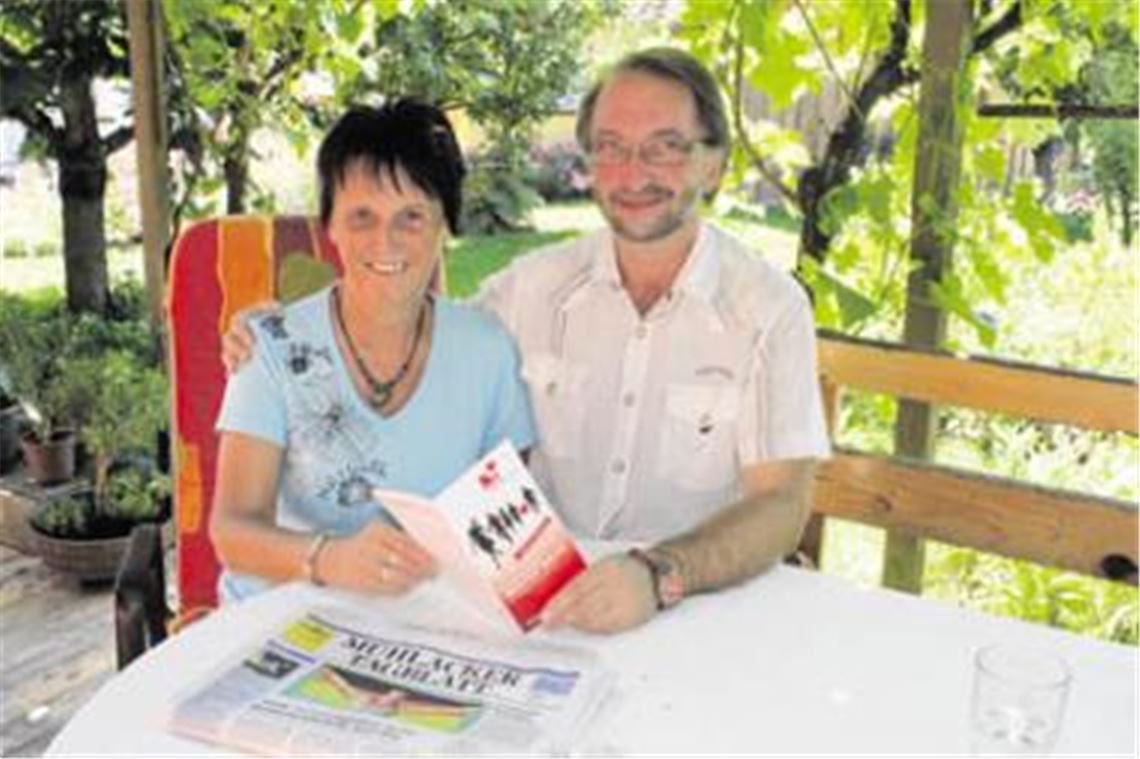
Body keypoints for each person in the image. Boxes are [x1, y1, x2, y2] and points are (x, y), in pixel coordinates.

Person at [223, 49, 829, 633]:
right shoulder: (528, 291)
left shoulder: (768, 311)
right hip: (544, 607)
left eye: (665, 149)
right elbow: (403, 311)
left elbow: (781, 507)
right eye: (611, 148)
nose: (634, 172)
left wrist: (659, 574)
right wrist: (281, 328)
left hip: (692, 606)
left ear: (713, 164)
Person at [210, 100, 535, 603]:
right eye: (362, 216)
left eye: (412, 217)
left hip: (427, 617)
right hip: (285, 616)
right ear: (331, 226)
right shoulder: (270, 347)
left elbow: (510, 531)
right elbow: (231, 531)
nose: (386, 242)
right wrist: (327, 558)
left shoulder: (487, 351)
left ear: (442, 226)